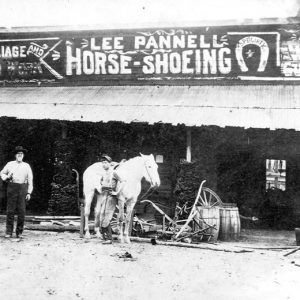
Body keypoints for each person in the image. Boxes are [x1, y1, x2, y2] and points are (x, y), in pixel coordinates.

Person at [0, 146, 33, 239]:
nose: (20, 155)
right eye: (18, 153)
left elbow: (30, 180)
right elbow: (2, 173)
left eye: (21, 154)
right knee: (10, 210)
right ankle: (9, 232)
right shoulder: (10, 164)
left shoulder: (26, 166)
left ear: (23, 155)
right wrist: (6, 177)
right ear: (15, 155)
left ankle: (19, 232)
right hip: (12, 187)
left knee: (21, 211)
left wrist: (29, 192)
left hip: (23, 188)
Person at [98, 154, 117, 244]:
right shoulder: (104, 174)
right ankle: (105, 237)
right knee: (102, 215)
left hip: (111, 196)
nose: (104, 164)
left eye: (105, 162)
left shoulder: (114, 172)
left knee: (107, 217)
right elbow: (101, 183)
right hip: (104, 195)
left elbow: (123, 181)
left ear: (110, 163)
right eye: (102, 163)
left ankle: (109, 239)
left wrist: (116, 192)